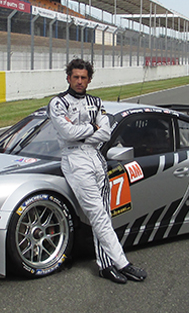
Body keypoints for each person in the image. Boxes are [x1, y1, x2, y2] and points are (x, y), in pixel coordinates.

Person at [47, 58, 147, 284]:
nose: (79, 81)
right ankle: (123, 263)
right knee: (98, 215)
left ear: (89, 79)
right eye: (75, 77)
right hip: (75, 159)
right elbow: (67, 133)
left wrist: (84, 131)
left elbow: (106, 133)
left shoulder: (96, 101)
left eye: (83, 78)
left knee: (104, 215)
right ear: (68, 78)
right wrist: (92, 127)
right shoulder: (58, 103)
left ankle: (105, 265)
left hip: (97, 158)